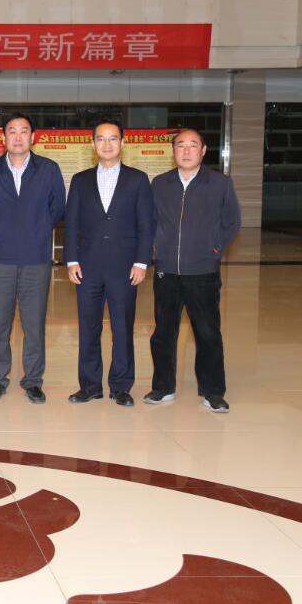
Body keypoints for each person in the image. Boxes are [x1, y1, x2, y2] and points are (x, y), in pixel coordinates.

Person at [0, 112, 65, 404]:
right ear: (2, 137)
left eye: (24, 131)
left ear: (33, 137)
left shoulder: (48, 170)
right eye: (12, 131)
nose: (17, 137)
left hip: (35, 258)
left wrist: (37, 230)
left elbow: (57, 208)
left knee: (33, 324)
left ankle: (33, 381)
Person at [146, 128, 241, 412]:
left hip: (203, 273)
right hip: (166, 272)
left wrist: (214, 249)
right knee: (163, 332)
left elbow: (232, 221)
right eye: (180, 145)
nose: (186, 150)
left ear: (203, 150)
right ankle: (163, 387)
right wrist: (156, 250)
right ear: (173, 150)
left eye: (192, 145)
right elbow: (151, 221)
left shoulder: (219, 183)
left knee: (207, 332)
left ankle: (213, 391)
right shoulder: (160, 184)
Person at [64, 120, 155, 407]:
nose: (107, 144)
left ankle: (121, 386)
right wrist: (71, 260)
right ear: (92, 144)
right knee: (88, 328)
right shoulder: (80, 180)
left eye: (113, 138)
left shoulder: (138, 179)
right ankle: (90, 385)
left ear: (123, 143)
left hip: (124, 267)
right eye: (101, 139)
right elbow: (71, 223)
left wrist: (142, 262)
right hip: (87, 267)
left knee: (123, 328)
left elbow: (146, 224)